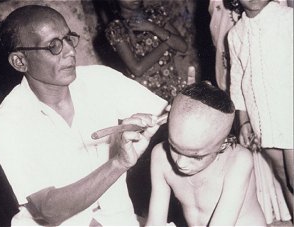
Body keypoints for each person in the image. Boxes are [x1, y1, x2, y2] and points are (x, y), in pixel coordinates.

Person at [0, 5, 168, 226]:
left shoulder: (99, 80)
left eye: (69, 39)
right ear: (20, 61)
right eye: (53, 45)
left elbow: (167, 115)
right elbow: (50, 210)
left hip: (119, 219)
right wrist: (118, 163)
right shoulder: (10, 121)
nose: (70, 51)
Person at [146, 82, 267, 226]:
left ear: (223, 144)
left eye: (196, 156)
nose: (180, 163)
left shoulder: (238, 160)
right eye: (174, 148)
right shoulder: (160, 155)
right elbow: (155, 223)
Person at [228, 0, 293, 221]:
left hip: (289, 112)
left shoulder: (288, 19)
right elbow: (237, 81)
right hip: (263, 117)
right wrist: (244, 120)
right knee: (285, 178)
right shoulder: (235, 33)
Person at [105, 0, 188, 102]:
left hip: (174, 88)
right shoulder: (116, 29)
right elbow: (137, 69)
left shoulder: (155, 14)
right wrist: (167, 43)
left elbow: (183, 46)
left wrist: (153, 27)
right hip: (147, 97)